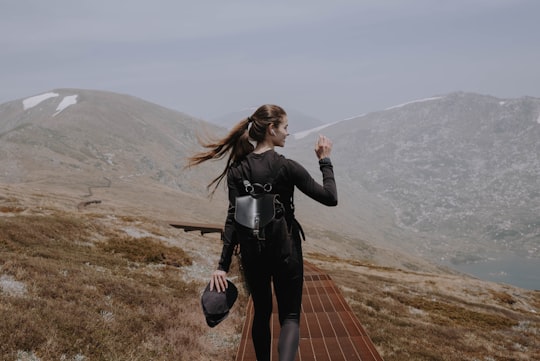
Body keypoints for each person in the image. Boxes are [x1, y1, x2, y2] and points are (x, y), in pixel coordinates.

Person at [187, 104, 338, 361]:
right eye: (285, 128)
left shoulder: (237, 170)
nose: (288, 133)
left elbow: (233, 218)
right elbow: (330, 197)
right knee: (289, 316)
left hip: (253, 253)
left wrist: (221, 266)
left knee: (262, 313)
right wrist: (324, 160)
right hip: (286, 250)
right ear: (271, 129)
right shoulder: (286, 167)